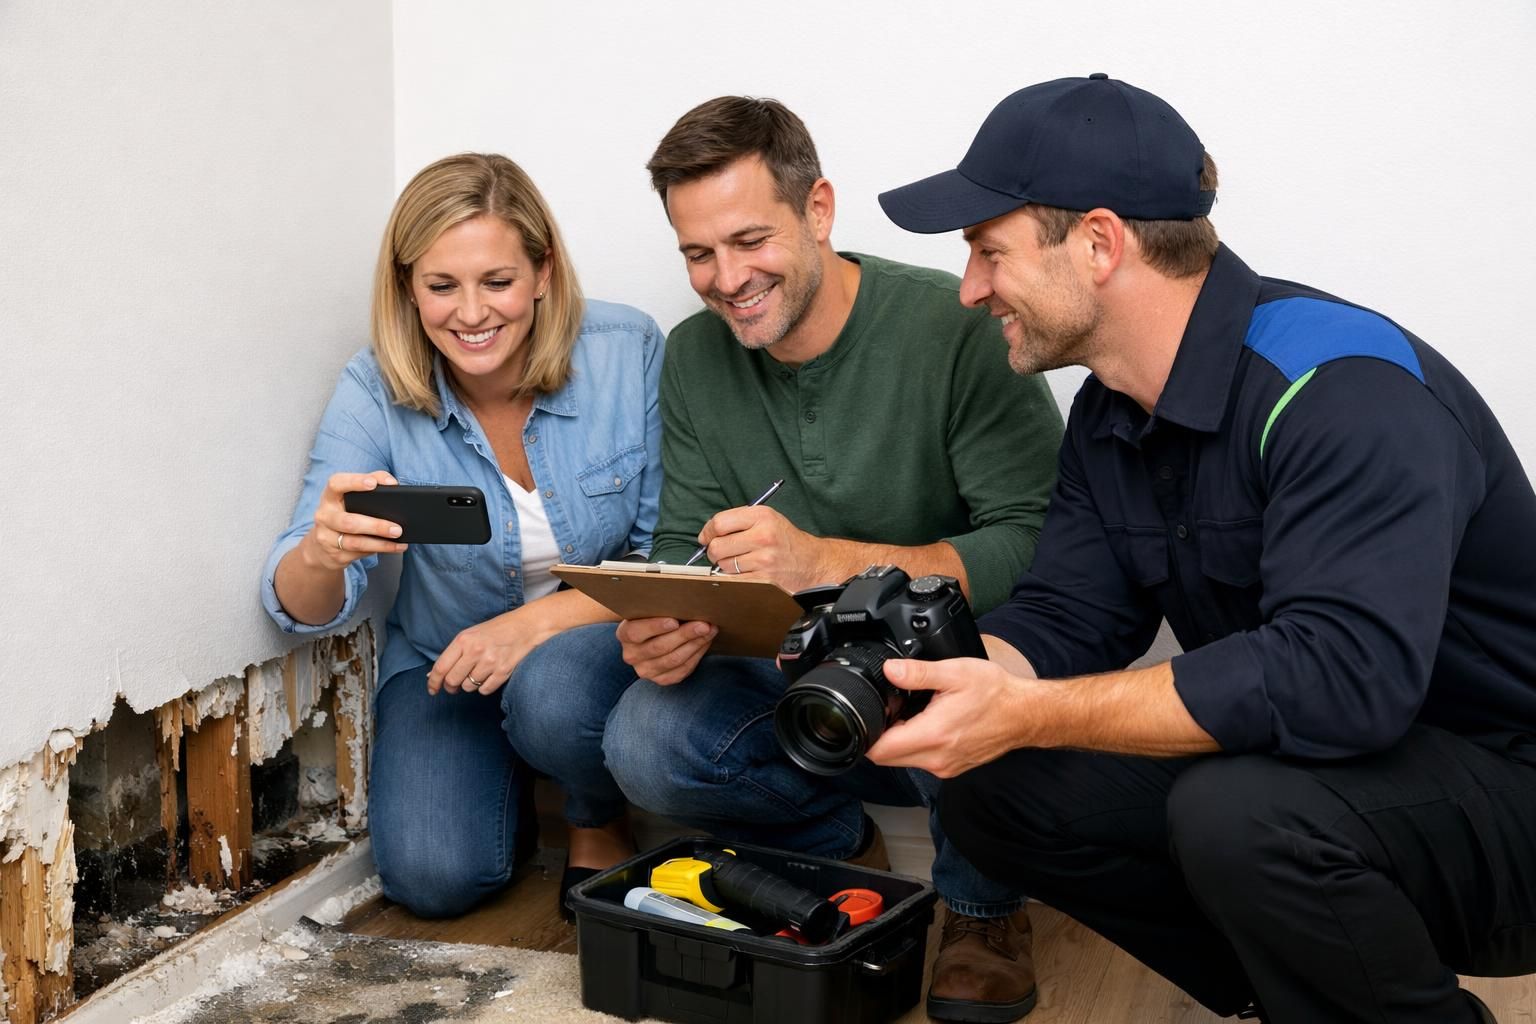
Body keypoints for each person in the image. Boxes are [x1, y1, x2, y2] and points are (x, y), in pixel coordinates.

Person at [873, 74, 1536, 1023]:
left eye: (988, 251)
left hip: (1508, 785)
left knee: (1238, 814)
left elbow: (1341, 679)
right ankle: (1299, 990)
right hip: (1343, 773)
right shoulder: (1110, 412)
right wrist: (935, 676)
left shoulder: (1341, 389)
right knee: (991, 784)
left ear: (1099, 242)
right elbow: (1070, 613)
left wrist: (1033, 710)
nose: (971, 288)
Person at [502, 96, 1063, 1022]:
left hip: (938, 664)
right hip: (788, 672)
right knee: (634, 727)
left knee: (987, 654)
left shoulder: (955, 327)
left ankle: (982, 908)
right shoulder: (693, 357)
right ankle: (829, 839)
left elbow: (1035, 543)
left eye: (749, 240)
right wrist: (672, 625)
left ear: (819, 211)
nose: (725, 279)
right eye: (697, 254)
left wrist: (823, 559)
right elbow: (690, 549)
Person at [261, 153, 665, 919]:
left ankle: (595, 813)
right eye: (442, 286)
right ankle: (506, 773)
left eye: (497, 282)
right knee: (432, 878)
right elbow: (297, 602)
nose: (471, 314)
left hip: (597, 645)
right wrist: (322, 552)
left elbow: (665, 554)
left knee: (550, 692)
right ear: (408, 287)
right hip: (450, 659)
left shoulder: (626, 349)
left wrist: (533, 625)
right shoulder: (371, 388)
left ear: (542, 272)